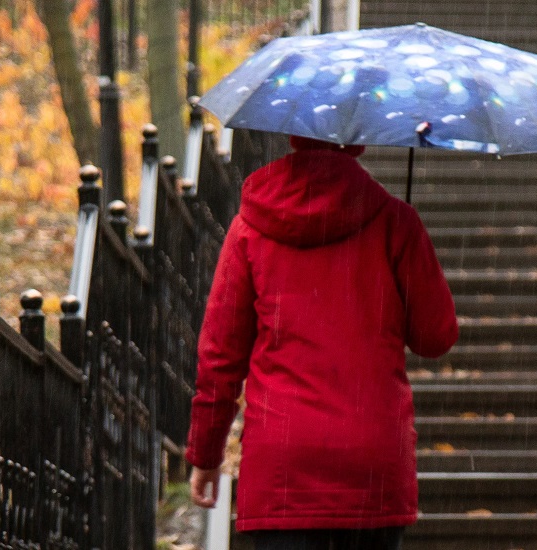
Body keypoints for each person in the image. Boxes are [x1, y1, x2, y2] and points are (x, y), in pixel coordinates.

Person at [184, 135, 459, 550]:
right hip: (372, 463)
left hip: (283, 465)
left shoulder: (249, 229)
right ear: (357, 141)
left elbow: (220, 357)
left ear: (293, 134)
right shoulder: (394, 221)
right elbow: (435, 337)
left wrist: (206, 453)